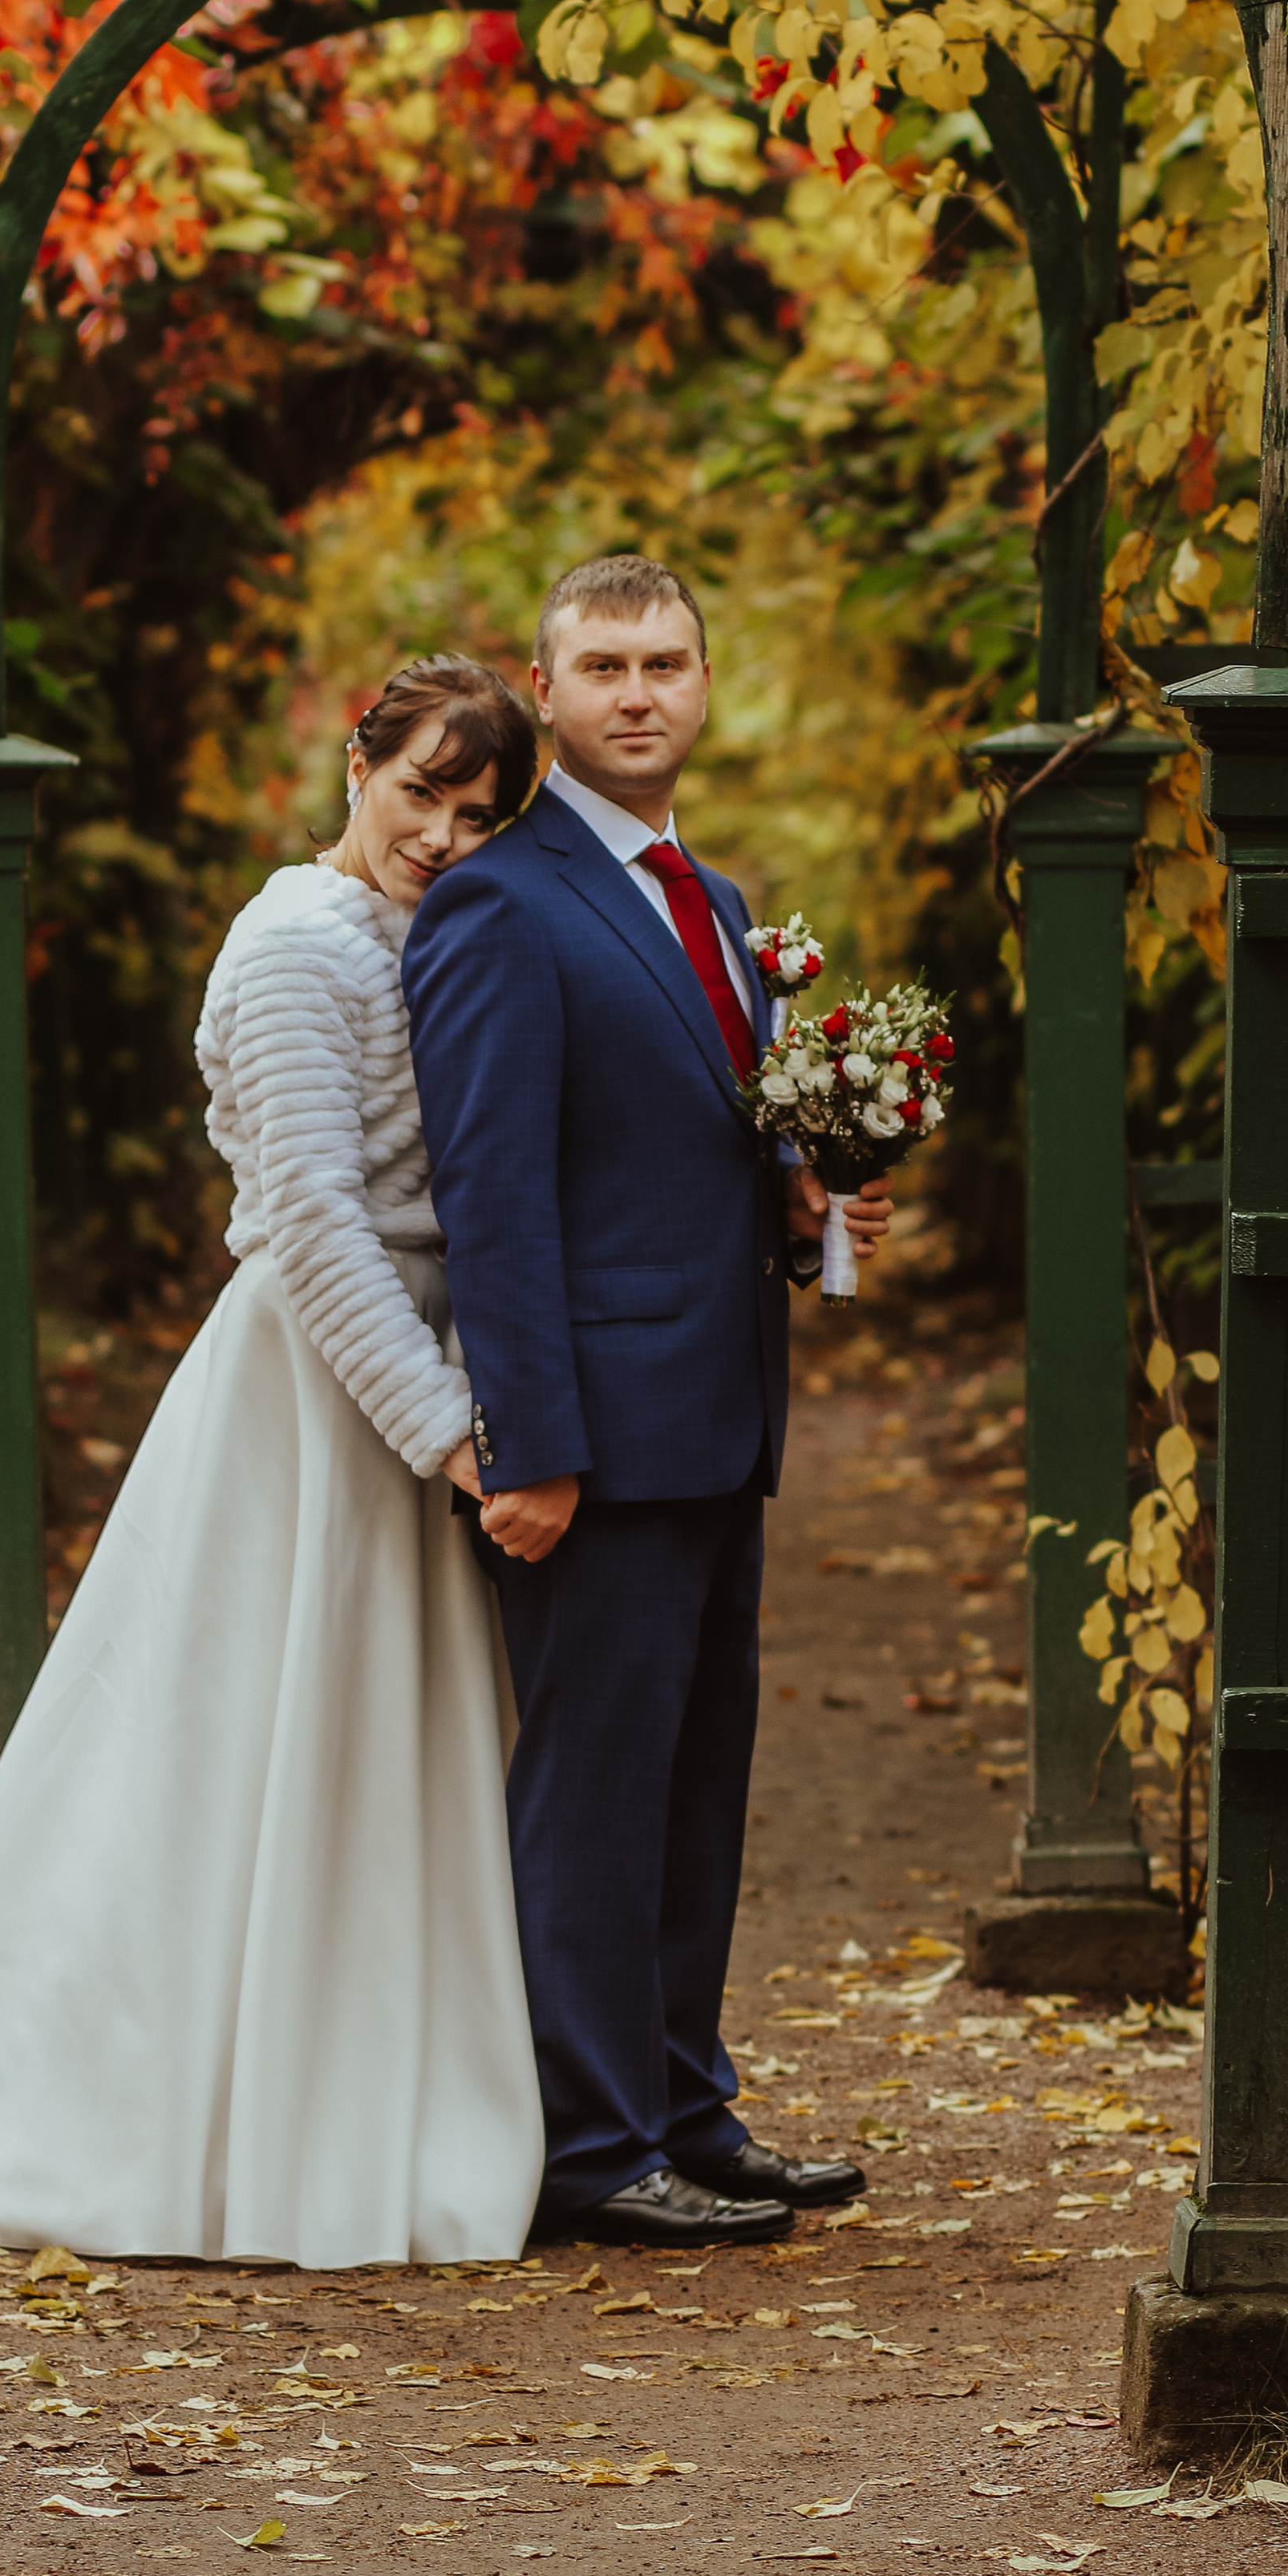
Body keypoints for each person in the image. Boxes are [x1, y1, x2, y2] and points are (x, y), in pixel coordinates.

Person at [0, 656, 546, 2268]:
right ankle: (176, 2127)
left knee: (379, 1753)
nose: (440, 833)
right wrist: (443, 1428)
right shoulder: (293, 945)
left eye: (476, 813)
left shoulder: (434, 934)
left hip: (428, 1362)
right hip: (326, 1383)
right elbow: (314, 1223)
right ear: (356, 763)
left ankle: (374, 2093)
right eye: (419, 791)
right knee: (241, 1743)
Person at [403, 553, 894, 2252]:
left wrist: (810, 1209)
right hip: (593, 1442)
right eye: (603, 666)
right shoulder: (499, 901)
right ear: (544, 693)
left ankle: (689, 2108)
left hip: (719, 1415)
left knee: (693, 1787)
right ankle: (593, 2146)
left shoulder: (720, 897)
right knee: (596, 1794)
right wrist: (529, 1446)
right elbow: (492, 1194)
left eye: (664, 662)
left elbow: (690, 1150)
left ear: (702, 682)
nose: (637, 693)